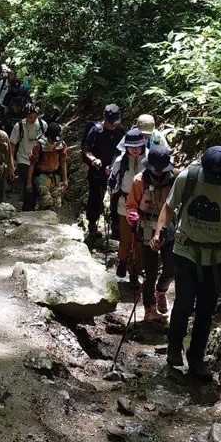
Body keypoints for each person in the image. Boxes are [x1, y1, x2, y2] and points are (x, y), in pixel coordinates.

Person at [152, 146, 221, 380]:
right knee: (183, 301)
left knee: (205, 308)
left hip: (215, 257)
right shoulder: (189, 177)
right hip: (186, 249)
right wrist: (158, 232)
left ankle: (196, 358)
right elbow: (169, 207)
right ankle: (174, 347)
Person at [127, 145, 177, 323]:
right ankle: (150, 308)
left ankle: (161, 291)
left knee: (172, 268)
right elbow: (131, 205)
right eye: (155, 169)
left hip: (168, 229)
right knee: (151, 271)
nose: (157, 172)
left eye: (160, 169)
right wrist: (132, 215)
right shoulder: (139, 181)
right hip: (147, 227)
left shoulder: (174, 180)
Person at [82, 104, 126, 238]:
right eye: (111, 123)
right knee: (95, 199)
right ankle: (92, 225)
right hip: (97, 172)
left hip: (115, 171)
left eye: (115, 123)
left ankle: (116, 228)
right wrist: (94, 159)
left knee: (117, 199)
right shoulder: (96, 130)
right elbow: (86, 149)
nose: (113, 126)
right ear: (105, 118)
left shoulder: (120, 131)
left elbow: (124, 149)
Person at [108, 129, 147, 278]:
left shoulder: (149, 160)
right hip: (124, 204)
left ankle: (136, 270)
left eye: (138, 146)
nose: (135, 150)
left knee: (140, 240)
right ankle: (123, 261)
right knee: (125, 238)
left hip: (144, 205)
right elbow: (113, 182)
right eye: (131, 147)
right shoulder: (120, 161)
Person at [9, 103, 48, 211]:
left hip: (38, 160)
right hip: (23, 158)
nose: (33, 119)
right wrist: (12, 161)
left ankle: (35, 208)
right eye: (30, 117)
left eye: (35, 117)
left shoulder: (42, 124)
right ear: (26, 115)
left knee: (37, 183)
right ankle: (27, 209)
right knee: (27, 183)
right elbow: (12, 144)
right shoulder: (19, 126)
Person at [27, 122, 69, 211]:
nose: (54, 141)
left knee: (57, 203)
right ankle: (43, 217)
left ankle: (50, 219)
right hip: (42, 176)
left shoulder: (61, 145)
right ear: (48, 136)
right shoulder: (39, 145)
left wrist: (65, 179)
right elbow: (32, 163)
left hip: (55, 176)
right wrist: (29, 182)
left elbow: (63, 162)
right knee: (47, 200)